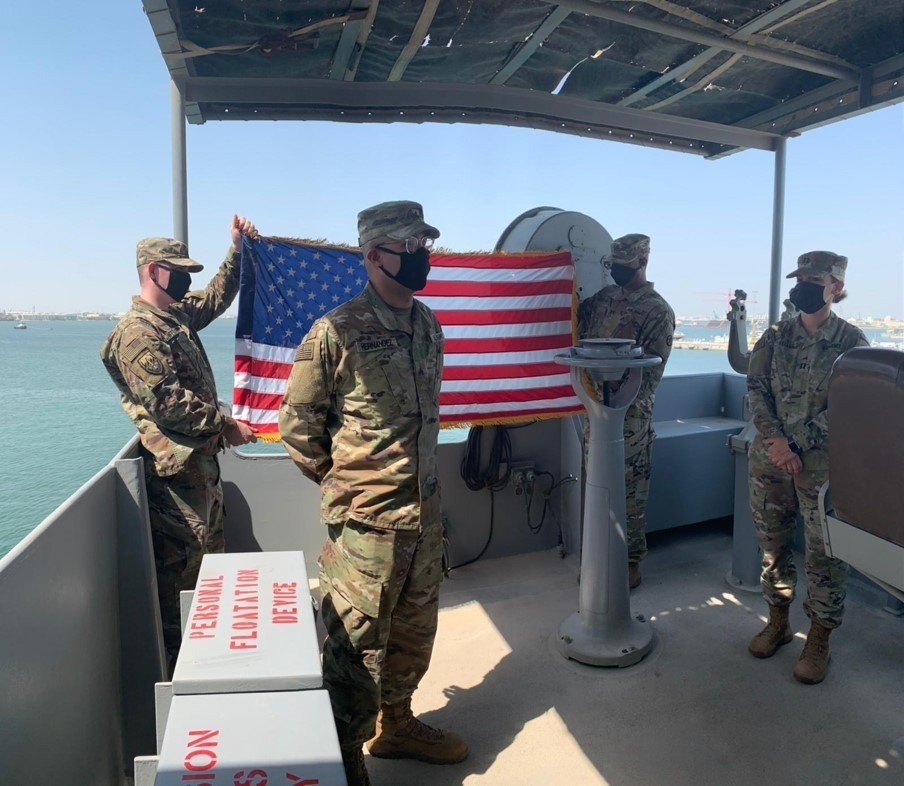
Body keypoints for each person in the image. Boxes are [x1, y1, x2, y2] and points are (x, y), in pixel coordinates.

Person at [278, 201, 467, 786]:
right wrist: (351, 490)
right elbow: (299, 427)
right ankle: (345, 758)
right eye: (411, 248)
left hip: (423, 519)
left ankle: (398, 724)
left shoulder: (428, 324)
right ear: (374, 256)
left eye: (425, 246)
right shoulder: (336, 331)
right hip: (367, 529)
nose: (422, 258)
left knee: (414, 634)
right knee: (354, 652)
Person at [100, 215, 259, 674]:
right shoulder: (137, 333)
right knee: (184, 593)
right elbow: (169, 403)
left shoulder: (172, 316)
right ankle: (187, 678)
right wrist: (227, 426)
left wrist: (237, 250)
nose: (187, 279)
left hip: (199, 473)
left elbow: (212, 298)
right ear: (153, 271)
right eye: (178, 271)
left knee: (211, 578)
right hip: (176, 488)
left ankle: (213, 668)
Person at [746, 250, 868, 684]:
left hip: (822, 468)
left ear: (835, 287)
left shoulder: (852, 343)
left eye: (815, 280)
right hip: (770, 460)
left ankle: (819, 638)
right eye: (799, 279)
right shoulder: (776, 336)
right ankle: (778, 622)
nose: (803, 287)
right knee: (772, 544)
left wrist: (798, 441)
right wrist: (778, 442)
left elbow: (852, 406)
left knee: (826, 555)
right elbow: (755, 388)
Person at [577, 233, 675, 589]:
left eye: (623, 265)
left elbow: (650, 374)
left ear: (642, 263)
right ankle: (598, 559)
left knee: (630, 494)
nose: (616, 271)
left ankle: (630, 562)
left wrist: (616, 399)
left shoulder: (657, 310)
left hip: (629, 419)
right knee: (597, 488)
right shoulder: (602, 300)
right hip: (594, 412)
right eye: (612, 265)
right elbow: (575, 331)